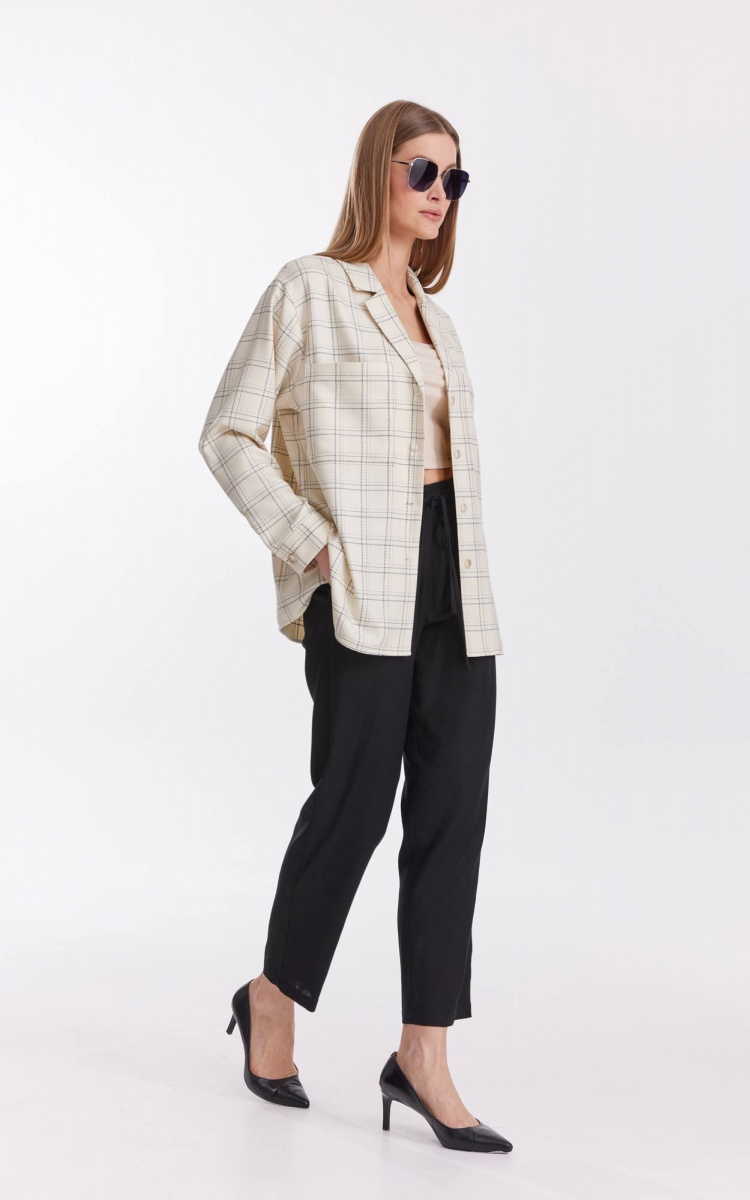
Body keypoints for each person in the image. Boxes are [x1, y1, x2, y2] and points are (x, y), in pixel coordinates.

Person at [198, 100, 510, 1153]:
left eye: (453, 178)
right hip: (361, 582)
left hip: (454, 581)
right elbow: (227, 433)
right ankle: (273, 997)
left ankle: (424, 1053)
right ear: (379, 169)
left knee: (452, 812)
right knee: (353, 802)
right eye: (422, 170)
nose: (439, 192)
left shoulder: (435, 316)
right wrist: (311, 545)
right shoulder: (309, 289)